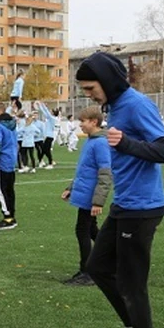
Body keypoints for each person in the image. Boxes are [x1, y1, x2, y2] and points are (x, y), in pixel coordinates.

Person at [77, 51, 164, 328]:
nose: (89, 95)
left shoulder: (137, 104)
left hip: (143, 208)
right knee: (98, 266)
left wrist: (127, 144)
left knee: (133, 283)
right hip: (126, 204)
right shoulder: (116, 107)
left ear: (106, 81)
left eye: (91, 88)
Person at [60, 106, 111, 286]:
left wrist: (98, 201)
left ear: (94, 122)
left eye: (83, 121)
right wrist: (71, 188)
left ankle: (88, 272)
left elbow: (105, 174)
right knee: (91, 230)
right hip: (84, 192)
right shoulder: (91, 141)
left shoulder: (100, 143)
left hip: (90, 196)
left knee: (82, 230)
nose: (79, 124)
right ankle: (112, 258)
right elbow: (84, 170)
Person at [0, 102, 19, 230]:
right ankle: (11, 214)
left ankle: (8, 217)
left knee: (0, 189)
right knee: (9, 189)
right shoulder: (12, 125)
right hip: (11, 160)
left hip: (2, 161)